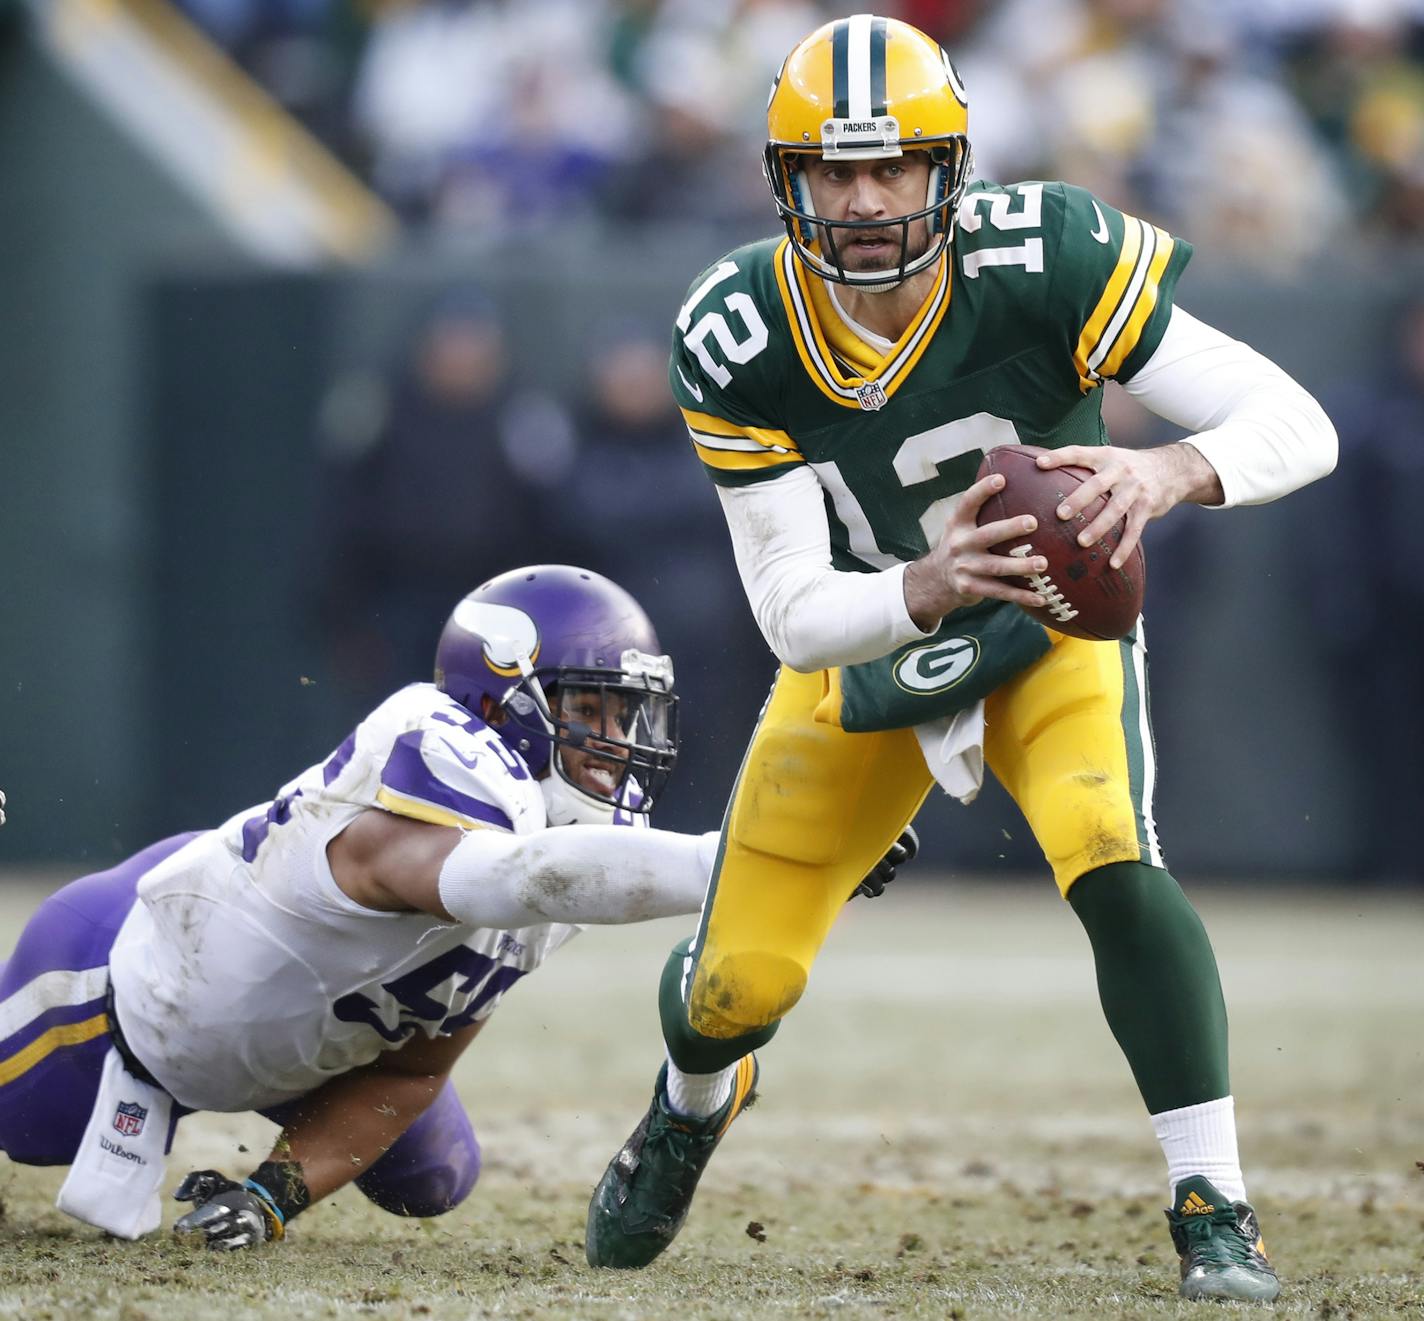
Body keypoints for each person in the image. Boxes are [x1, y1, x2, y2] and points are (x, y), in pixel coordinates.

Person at [583, 15, 1337, 1306]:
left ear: (951, 170)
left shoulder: (1050, 255)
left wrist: (1166, 468)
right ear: (787, 181)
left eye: (895, 166)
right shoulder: (739, 329)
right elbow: (790, 613)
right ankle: (691, 1102)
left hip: (1049, 624)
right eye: (835, 170)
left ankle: (1213, 1199)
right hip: (875, 646)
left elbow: (1296, 421)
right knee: (731, 988)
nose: (867, 199)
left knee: (1113, 852)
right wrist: (922, 585)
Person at [0, 562, 913, 1248]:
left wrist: (274, 1193)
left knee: (436, 1176)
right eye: (593, 710)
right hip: (123, 977)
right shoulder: (439, 749)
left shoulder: (555, 851)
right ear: (506, 694)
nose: (617, 742)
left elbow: (409, 1070)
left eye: (629, 716)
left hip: (295, 1042)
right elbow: (499, 876)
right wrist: (744, 859)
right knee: (21, 1126)